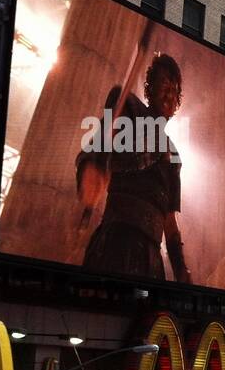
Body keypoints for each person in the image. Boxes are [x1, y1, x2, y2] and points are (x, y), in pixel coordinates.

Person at [76, 54, 190, 282]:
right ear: (151, 87)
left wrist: (180, 270)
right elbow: (102, 148)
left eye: (175, 90)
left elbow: (169, 219)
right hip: (116, 242)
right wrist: (93, 168)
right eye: (164, 84)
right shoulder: (130, 107)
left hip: (151, 257)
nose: (169, 94)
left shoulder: (174, 155)